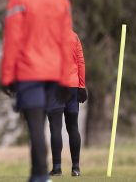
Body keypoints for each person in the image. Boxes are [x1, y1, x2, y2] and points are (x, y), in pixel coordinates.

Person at [1, 0, 73, 182]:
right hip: (55, 73)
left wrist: (7, 76)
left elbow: (12, 40)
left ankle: (42, 176)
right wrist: (66, 77)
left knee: (36, 128)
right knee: (48, 128)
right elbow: (66, 42)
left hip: (29, 72)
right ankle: (37, 176)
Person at [46, 30, 87, 177]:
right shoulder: (74, 35)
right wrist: (82, 86)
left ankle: (57, 168)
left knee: (56, 127)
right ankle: (76, 168)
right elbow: (80, 61)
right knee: (73, 127)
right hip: (73, 86)